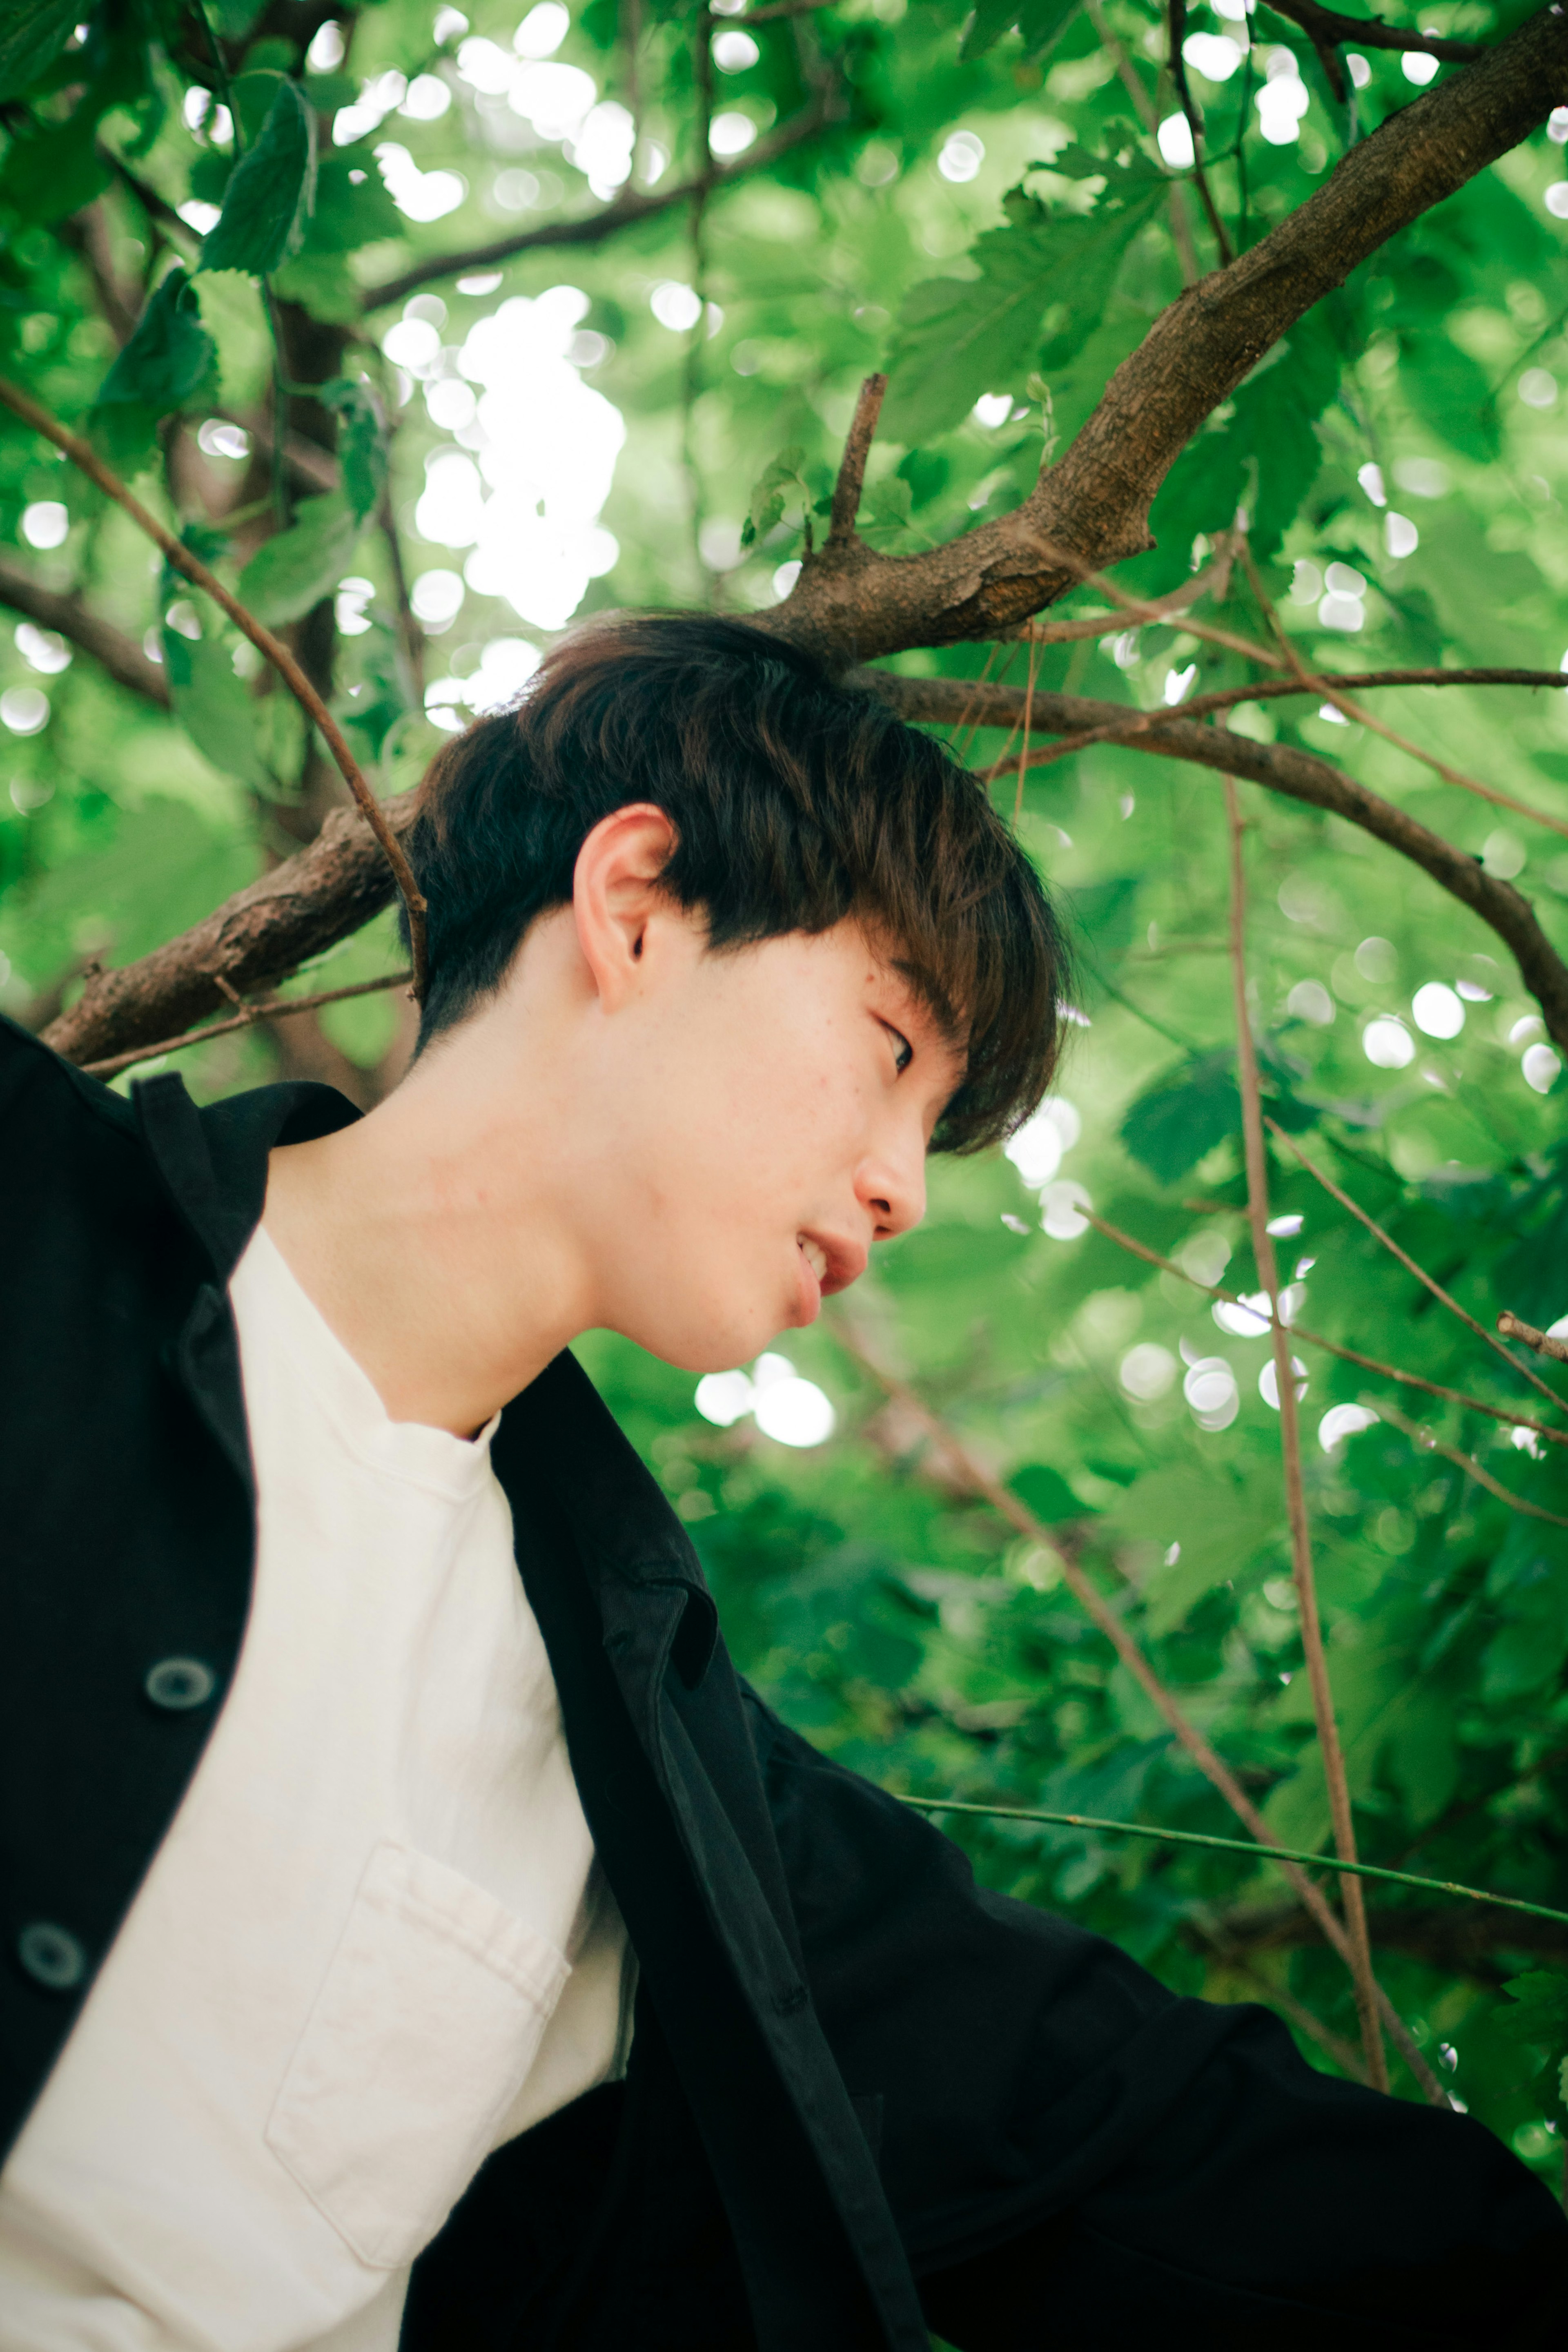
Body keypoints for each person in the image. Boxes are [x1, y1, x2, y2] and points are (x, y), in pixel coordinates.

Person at [0, 613, 1561, 2352]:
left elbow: (1133, 2130)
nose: (902, 1189)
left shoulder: (652, 1763)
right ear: (640, 902)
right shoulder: (28, 1229)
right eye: (895, 1051)